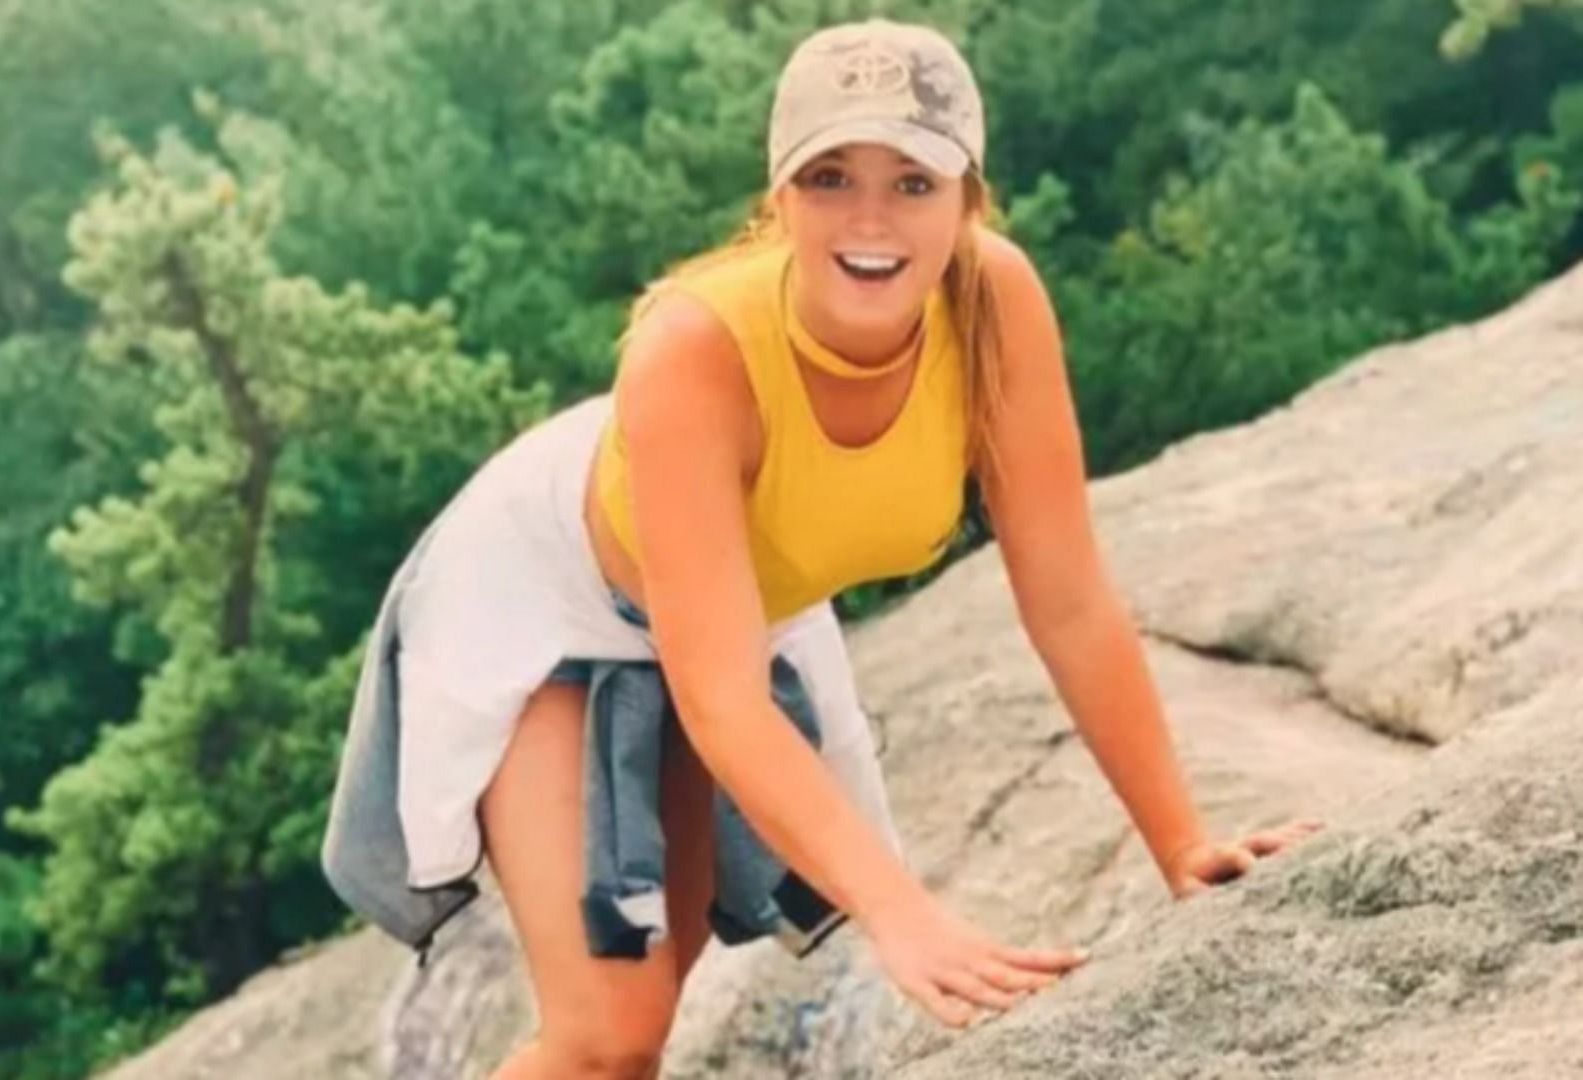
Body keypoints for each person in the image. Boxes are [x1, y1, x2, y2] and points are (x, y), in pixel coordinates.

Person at [321, 16, 1324, 1079]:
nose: (871, 220)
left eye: (915, 183)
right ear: (778, 196)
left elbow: (1069, 601)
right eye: (831, 176)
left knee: (651, 1009)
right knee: (608, 1035)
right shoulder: (694, 347)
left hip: (732, 608)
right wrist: (899, 914)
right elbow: (722, 702)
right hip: (548, 599)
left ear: (970, 199)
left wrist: (1181, 845)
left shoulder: (996, 307)